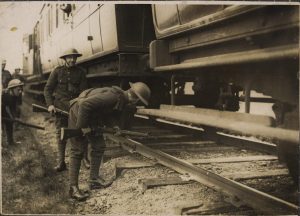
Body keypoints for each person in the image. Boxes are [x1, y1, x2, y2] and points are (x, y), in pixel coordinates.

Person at [68, 82, 151, 201]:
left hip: (90, 115)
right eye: (138, 102)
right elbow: (85, 105)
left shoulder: (120, 98)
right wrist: (83, 127)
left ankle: (94, 180)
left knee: (99, 145)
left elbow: (105, 112)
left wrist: (114, 125)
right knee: (77, 150)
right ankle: (73, 188)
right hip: (79, 112)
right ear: (135, 99)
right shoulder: (113, 97)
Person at [44, 48, 88, 172]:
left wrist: (80, 106)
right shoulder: (57, 71)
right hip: (60, 108)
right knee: (61, 135)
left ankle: (85, 158)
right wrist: (50, 105)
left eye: (74, 57)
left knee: (80, 132)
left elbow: (84, 92)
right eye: (69, 57)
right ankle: (61, 162)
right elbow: (47, 89)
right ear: (64, 59)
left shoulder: (81, 72)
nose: (72, 60)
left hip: (75, 108)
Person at [2, 79, 24, 145]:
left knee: (9, 125)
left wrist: (15, 117)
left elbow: (13, 108)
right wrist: (12, 118)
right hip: (2, 110)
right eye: (18, 90)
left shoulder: (14, 96)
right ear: (12, 89)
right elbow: (7, 108)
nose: (20, 91)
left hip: (5, 111)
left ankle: (10, 142)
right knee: (6, 124)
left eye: (20, 90)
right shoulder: (6, 96)